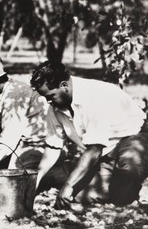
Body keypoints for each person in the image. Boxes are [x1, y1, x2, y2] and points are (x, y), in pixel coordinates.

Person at [30, 61, 148, 208]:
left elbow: (94, 149)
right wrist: (35, 180)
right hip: (106, 152)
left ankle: (126, 190)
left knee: (127, 174)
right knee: (80, 196)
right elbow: (53, 147)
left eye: (51, 96)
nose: (48, 101)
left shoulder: (93, 96)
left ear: (64, 86)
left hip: (134, 138)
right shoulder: (55, 108)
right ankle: (112, 183)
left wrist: (68, 185)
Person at [0, 56, 49, 170]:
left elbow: (9, 140)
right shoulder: (9, 89)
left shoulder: (13, 97)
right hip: (21, 140)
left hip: (38, 144)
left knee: (12, 178)